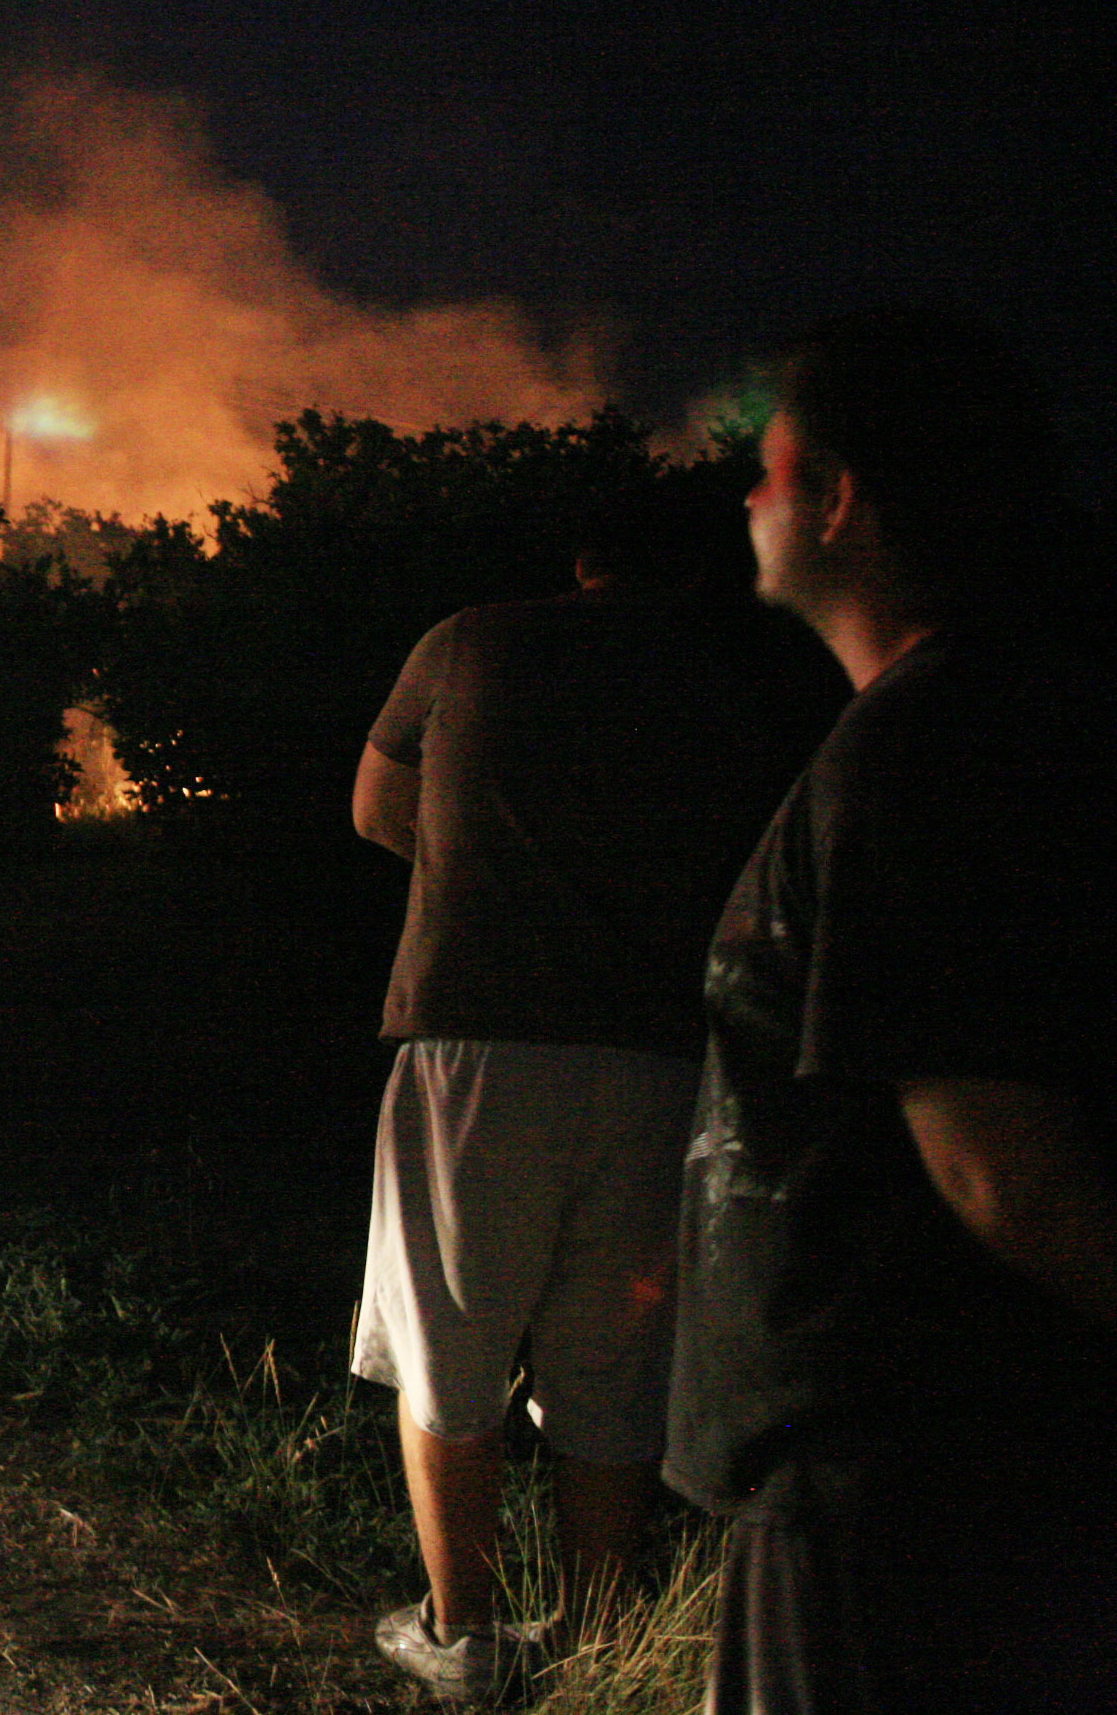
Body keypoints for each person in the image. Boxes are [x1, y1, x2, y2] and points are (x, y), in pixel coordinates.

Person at [668, 312, 1117, 1713]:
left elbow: (1004, 1169)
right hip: (912, 1484)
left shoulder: (925, 747)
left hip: (904, 1503)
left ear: (842, 496)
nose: (746, 495)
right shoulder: (981, 717)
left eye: (770, 465)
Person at [352, 478, 840, 1702]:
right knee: (613, 1361)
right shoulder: (752, 672)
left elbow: (374, 806)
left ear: (583, 558)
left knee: (448, 1342)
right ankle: (602, 1646)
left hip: (475, 1043)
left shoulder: (468, 640)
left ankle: (464, 1639)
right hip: (662, 1055)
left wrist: (481, 875)